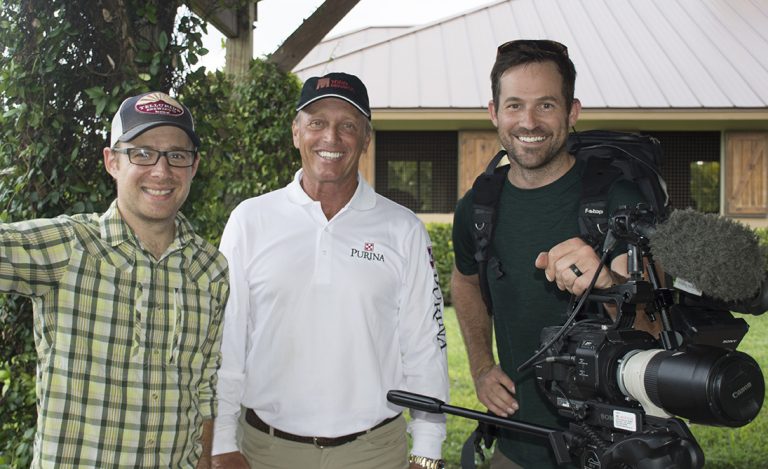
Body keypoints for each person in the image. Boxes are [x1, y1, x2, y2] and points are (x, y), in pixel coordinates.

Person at [211, 72, 449, 469]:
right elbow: (228, 342)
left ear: (366, 139)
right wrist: (221, 442)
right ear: (296, 132)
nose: (331, 138)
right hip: (266, 451)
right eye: (317, 122)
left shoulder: (403, 229)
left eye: (348, 126)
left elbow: (426, 346)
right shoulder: (250, 220)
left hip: (374, 453)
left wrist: (427, 451)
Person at [451, 40, 658, 468]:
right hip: (517, 445)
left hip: (610, 450)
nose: (528, 121)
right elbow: (465, 281)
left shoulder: (618, 201)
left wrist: (611, 285)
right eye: (514, 106)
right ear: (493, 112)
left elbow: (655, 328)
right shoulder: (478, 206)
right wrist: (481, 367)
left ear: (572, 111)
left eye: (546, 105)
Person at [0, 91, 229, 468]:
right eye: (141, 153)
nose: (161, 170)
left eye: (177, 155)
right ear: (112, 162)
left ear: (194, 166)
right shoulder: (70, 246)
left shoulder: (210, 269)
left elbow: (204, 392)